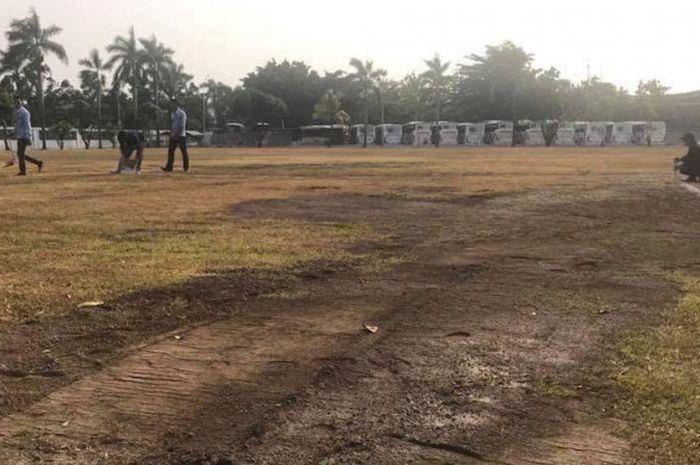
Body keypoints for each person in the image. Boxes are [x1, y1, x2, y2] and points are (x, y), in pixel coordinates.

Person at [13, 98, 43, 176]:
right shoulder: (18, 112)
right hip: (20, 135)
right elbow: (18, 125)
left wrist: (28, 136)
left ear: (20, 104)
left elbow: (27, 125)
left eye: (17, 104)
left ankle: (23, 171)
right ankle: (38, 162)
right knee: (20, 154)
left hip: (24, 135)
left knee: (20, 153)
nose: (15, 105)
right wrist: (15, 132)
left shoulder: (24, 113)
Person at [162, 99, 188, 173]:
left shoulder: (182, 113)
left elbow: (182, 126)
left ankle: (186, 168)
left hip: (181, 136)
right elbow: (172, 124)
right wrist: (171, 133)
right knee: (170, 152)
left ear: (176, 104)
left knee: (184, 152)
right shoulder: (172, 113)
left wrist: (176, 135)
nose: (171, 105)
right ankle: (169, 167)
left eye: (172, 104)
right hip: (173, 135)